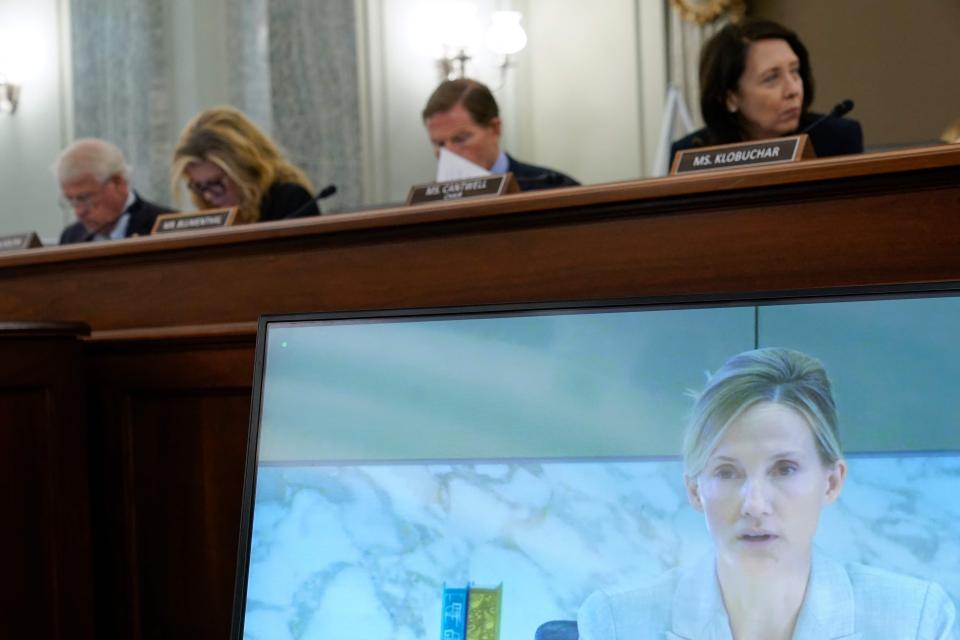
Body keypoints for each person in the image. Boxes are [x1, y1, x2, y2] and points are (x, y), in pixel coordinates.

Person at [578, 348, 956, 640]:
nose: (754, 505)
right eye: (727, 472)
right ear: (694, 490)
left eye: (784, 469)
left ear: (832, 481)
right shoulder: (617, 621)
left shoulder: (914, 619)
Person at [671, 19, 863, 161]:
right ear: (731, 98)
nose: (793, 89)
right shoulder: (690, 154)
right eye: (771, 78)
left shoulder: (837, 139)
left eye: (795, 71)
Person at [422, 79, 579, 191]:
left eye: (460, 139)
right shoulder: (427, 204)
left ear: (495, 129)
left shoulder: (553, 187)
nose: (448, 154)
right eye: (439, 144)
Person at [170, 106, 319, 225]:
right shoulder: (210, 214)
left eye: (216, 183)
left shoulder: (290, 202)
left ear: (244, 170)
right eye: (199, 186)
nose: (208, 195)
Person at [55, 138, 172, 244]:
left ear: (118, 182)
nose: (79, 212)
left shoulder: (170, 227)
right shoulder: (70, 237)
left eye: (85, 198)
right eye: (71, 200)